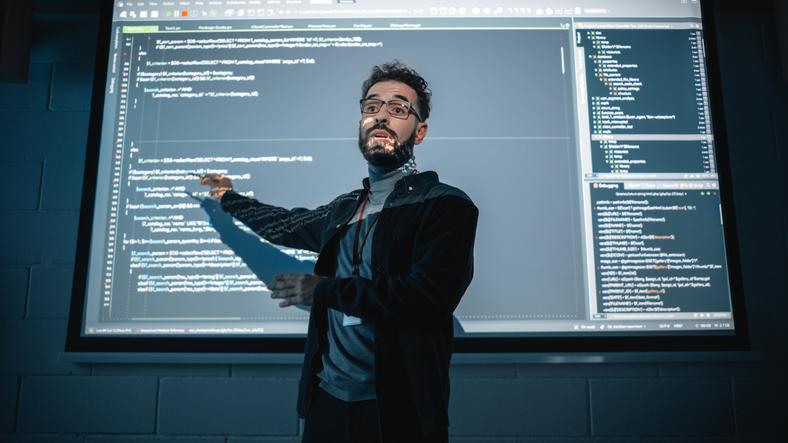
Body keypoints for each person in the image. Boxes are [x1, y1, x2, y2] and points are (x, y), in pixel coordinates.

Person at [199, 61, 478, 443]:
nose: (381, 116)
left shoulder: (446, 205)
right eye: (371, 107)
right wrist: (228, 198)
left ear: (420, 131)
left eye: (398, 109)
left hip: (399, 413)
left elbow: (425, 298)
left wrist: (323, 290)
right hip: (328, 402)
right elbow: (283, 224)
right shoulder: (345, 209)